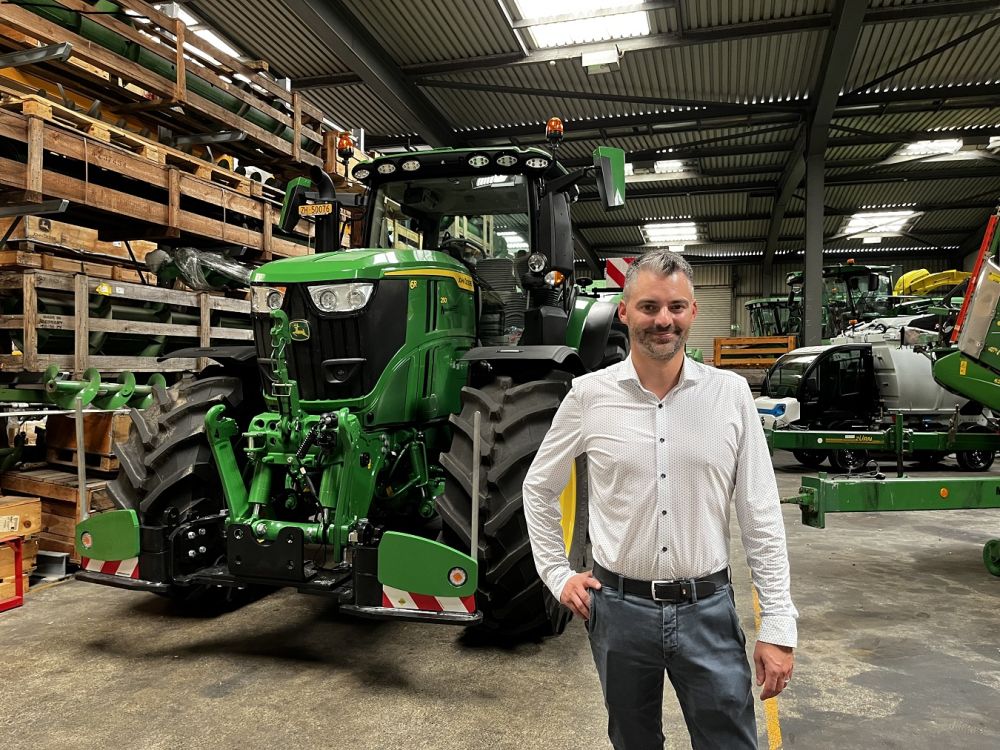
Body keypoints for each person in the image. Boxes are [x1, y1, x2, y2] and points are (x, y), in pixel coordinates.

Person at [522, 249, 797, 750]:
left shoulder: (730, 395)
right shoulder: (587, 396)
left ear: (693, 312)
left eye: (675, 307)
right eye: (648, 307)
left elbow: (760, 515)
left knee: (729, 741)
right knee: (633, 740)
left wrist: (778, 622)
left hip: (707, 612)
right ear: (624, 312)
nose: (662, 320)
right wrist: (557, 574)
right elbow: (538, 487)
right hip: (619, 613)